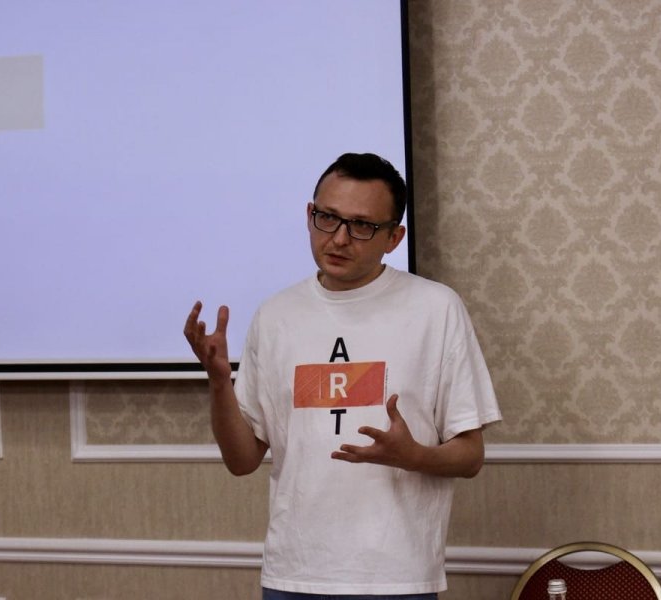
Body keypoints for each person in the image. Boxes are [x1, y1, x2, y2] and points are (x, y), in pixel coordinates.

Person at [184, 152, 501, 599]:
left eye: (362, 225)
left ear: (394, 237)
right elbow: (242, 461)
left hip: (396, 578)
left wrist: (412, 455)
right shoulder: (276, 315)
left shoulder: (436, 308)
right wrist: (219, 384)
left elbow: (470, 457)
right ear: (309, 215)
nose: (338, 238)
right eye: (327, 217)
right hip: (293, 575)